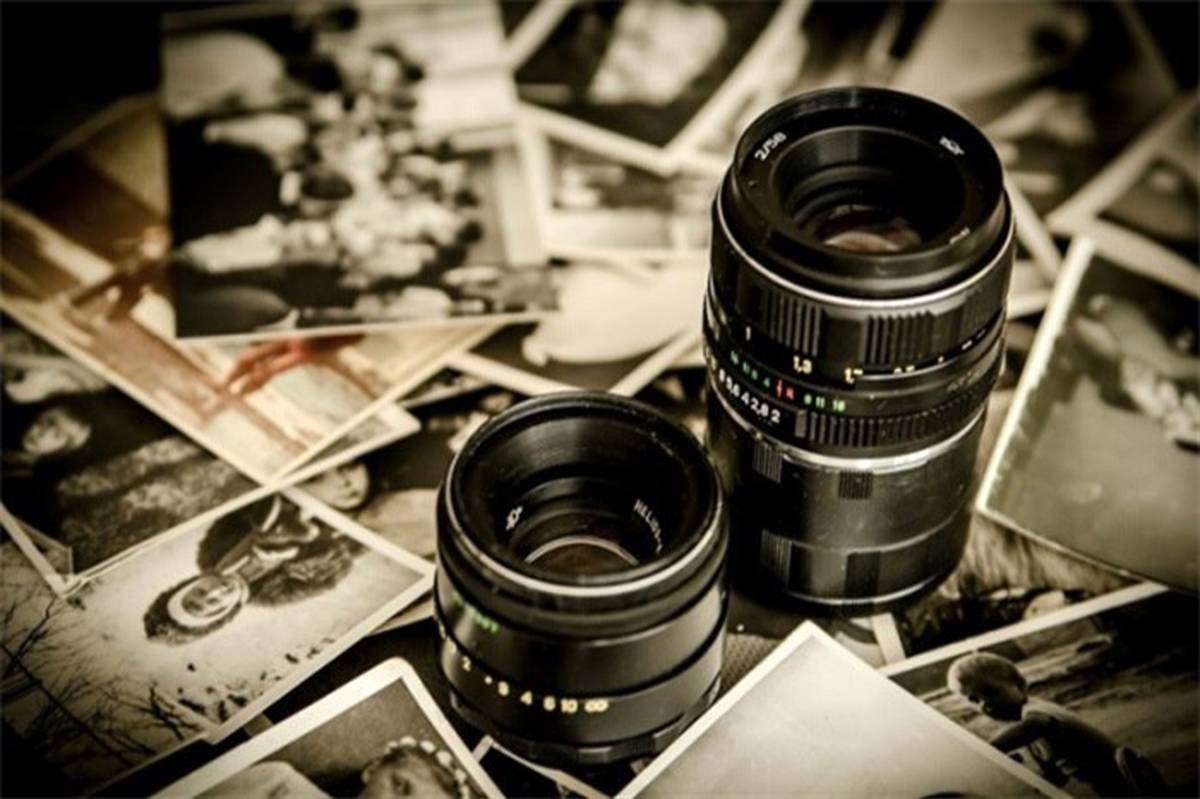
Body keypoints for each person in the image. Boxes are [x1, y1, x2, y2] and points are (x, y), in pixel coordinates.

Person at [947, 652, 1166, 796]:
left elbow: (1034, 726)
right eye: (974, 700)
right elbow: (1055, 773)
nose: (985, 704)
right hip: (1103, 781)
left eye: (992, 692)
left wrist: (989, 750)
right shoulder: (1030, 737)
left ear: (1020, 685)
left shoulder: (1035, 711)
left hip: (1123, 773)